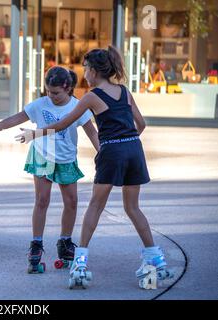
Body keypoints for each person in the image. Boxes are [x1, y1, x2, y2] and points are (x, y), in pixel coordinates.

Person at [15, 46, 174, 288]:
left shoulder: (91, 96)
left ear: (95, 71)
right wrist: (126, 141)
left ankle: (79, 262)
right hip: (134, 150)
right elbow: (140, 124)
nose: (83, 73)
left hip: (113, 152)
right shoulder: (124, 91)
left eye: (86, 68)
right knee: (133, 207)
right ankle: (156, 260)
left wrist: (33, 133)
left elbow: (62, 123)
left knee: (95, 206)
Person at [0, 66, 99, 274]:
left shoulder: (77, 107)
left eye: (55, 92)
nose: (51, 96)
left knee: (72, 202)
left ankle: (65, 242)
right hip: (42, 155)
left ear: (67, 88)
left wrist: (101, 152)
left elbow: (92, 133)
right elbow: (16, 118)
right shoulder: (40, 105)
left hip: (65, 158)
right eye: (48, 91)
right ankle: (36, 245)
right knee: (42, 200)